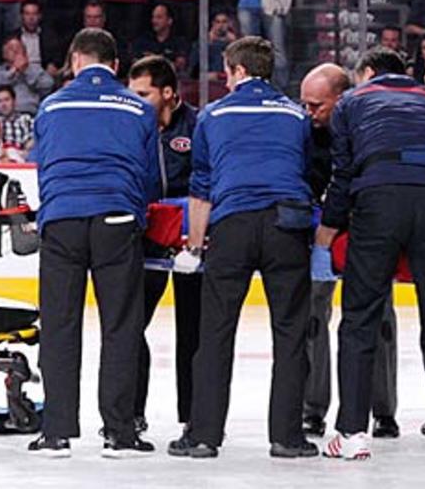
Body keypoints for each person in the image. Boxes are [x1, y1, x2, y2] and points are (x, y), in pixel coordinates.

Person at [167, 36, 315, 460]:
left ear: (237, 70)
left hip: (232, 224)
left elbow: (202, 189)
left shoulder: (212, 115)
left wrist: (195, 248)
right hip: (286, 224)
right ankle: (287, 437)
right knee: (290, 331)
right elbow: (303, 169)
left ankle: (203, 436)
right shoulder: (295, 114)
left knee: (215, 332)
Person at [317, 47, 425, 460]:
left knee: (360, 318)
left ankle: (352, 432)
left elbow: (343, 172)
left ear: (368, 73)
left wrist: (326, 234)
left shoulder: (352, 100)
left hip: (379, 197)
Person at [29, 28, 160, 458]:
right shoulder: (139, 108)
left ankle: (56, 431)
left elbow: (44, 165)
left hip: (63, 218)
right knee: (120, 325)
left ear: (75, 61)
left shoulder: (50, 106)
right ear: (116, 65)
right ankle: (120, 432)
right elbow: (149, 178)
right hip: (116, 218)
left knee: (60, 324)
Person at [299, 63, 400, 440]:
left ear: (342, 99)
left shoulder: (370, 127)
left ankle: (384, 411)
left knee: (379, 319)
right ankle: (312, 409)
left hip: (366, 230)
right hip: (321, 230)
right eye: (305, 105)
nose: (310, 114)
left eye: (317, 106)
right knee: (313, 317)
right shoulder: (306, 132)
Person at [127, 55, 200, 432]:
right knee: (131, 326)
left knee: (193, 333)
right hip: (146, 240)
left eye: (143, 93)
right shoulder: (129, 128)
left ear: (168, 93)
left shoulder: (199, 125)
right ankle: (132, 414)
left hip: (192, 244)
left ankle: (192, 418)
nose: (135, 101)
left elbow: (210, 181)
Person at [0, 37, 54, 113]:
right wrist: (10, 73)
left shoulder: (34, 70)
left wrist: (26, 72)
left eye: (18, 48)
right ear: (4, 54)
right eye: (11, 48)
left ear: (25, 53)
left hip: (27, 113)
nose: (15, 51)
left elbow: (48, 85)